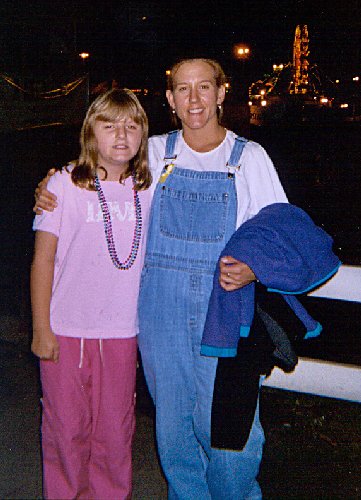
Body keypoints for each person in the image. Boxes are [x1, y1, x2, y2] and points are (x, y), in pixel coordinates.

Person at [34, 58, 288, 499]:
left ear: (222, 93)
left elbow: (280, 231)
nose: (194, 100)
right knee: (173, 429)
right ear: (169, 99)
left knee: (230, 429)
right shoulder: (154, 152)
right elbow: (99, 162)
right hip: (159, 315)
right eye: (183, 89)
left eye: (204, 87)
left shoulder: (250, 158)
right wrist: (50, 184)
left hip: (224, 311)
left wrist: (255, 267)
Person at [31, 88, 152, 499]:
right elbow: (43, 260)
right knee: (66, 432)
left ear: (143, 136)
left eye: (132, 125)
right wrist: (40, 328)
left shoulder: (149, 190)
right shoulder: (63, 185)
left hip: (121, 333)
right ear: (90, 133)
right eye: (109, 124)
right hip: (65, 331)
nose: (121, 134)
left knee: (116, 435)